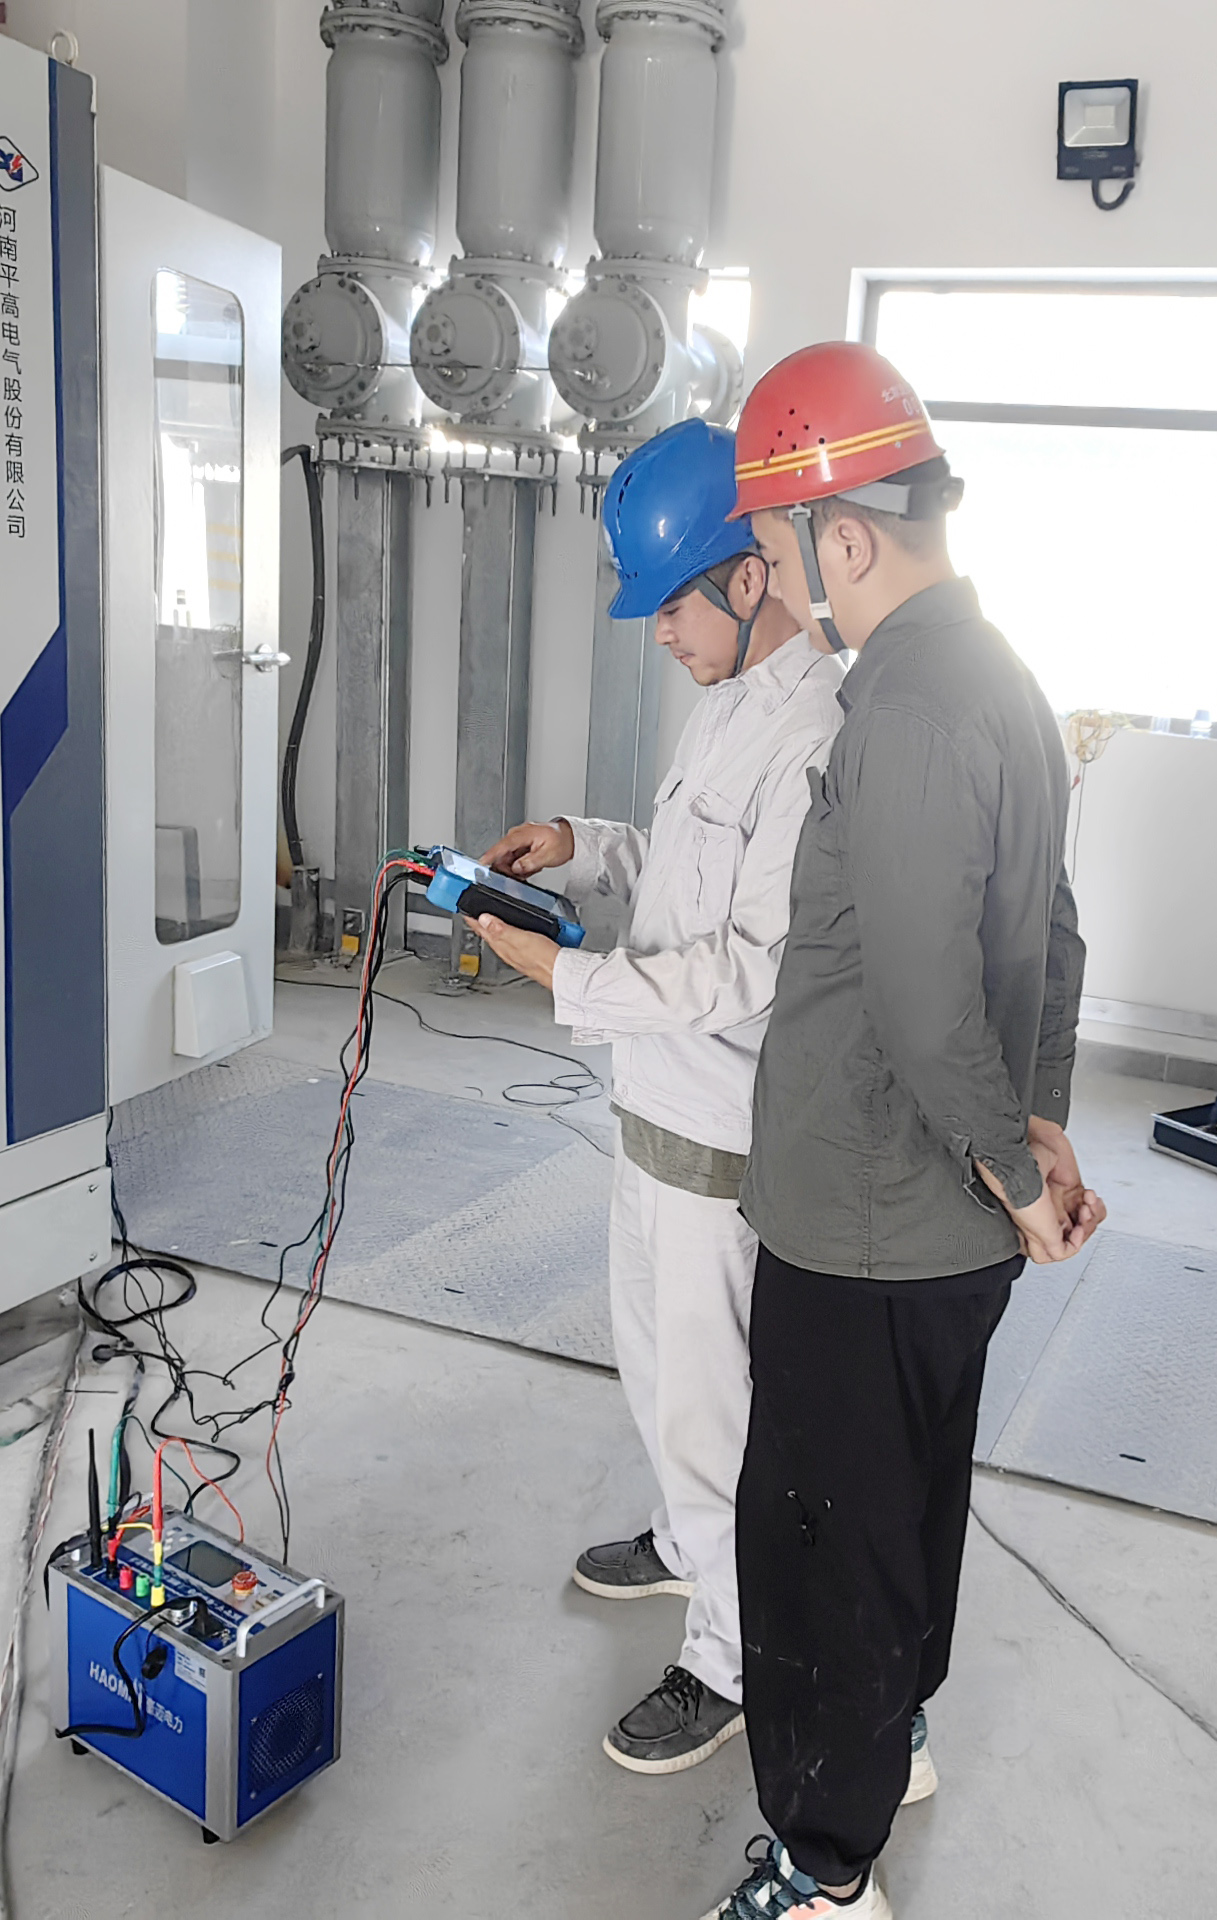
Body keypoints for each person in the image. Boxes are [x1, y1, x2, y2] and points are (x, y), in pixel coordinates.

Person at [695, 342, 1106, 1920]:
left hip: (868, 1216)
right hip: (937, 1221)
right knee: (902, 1506)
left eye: (771, 546)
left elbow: (929, 1005)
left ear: (843, 538)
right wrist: (1038, 1127)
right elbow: (1052, 933)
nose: (769, 581)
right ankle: (893, 1739)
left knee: (816, 1547)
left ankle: (820, 1868)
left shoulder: (909, 711)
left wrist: (1015, 1171)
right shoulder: (998, 675)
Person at [465, 418, 843, 1781]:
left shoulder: (813, 732)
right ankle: (687, 1548)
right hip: (653, 1112)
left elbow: (747, 968)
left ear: (750, 575)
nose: (659, 633)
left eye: (671, 604)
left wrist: (562, 974)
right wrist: (582, 845)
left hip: (720, 1132)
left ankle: (732, 1663)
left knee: (709, 1411)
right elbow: (682, 871)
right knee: (653, 1368)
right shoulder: (728, 698)